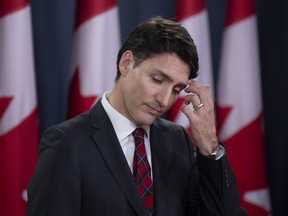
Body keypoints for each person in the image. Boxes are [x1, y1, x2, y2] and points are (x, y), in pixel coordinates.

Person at [27, 16, 241, 216]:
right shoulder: (67, 144)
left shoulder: (178, 141)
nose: (165, 100)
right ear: (126, 63)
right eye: (157, 79)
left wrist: (210, 148)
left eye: (176, 90)